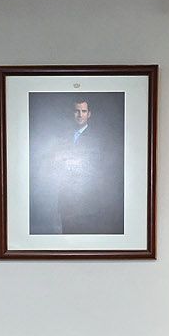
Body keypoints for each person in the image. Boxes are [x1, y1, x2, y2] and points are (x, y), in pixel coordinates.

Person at [53, 97, 124, 235]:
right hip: (66, 203)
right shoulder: (63, 137)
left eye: (83, 111)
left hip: (87, 205)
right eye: (77, 111)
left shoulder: (97, 138)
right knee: (67, 243)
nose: (80, 115)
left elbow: (99, 172)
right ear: (72, 113)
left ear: (89, 114)